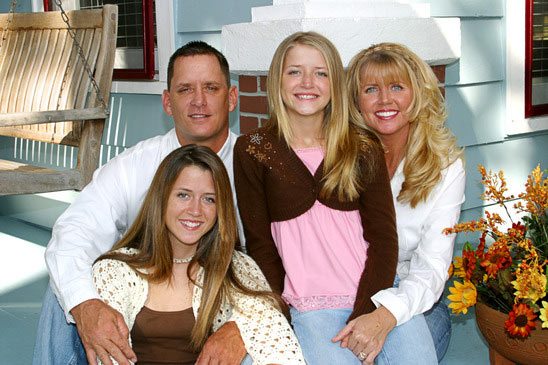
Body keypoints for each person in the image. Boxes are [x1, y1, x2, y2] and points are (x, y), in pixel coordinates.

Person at [33, 41, 249, 365]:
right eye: (185, 89)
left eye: (211, 88)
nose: (199, 101)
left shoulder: (256, 167)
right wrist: (85, 304)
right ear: (167, 102)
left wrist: (242, 327)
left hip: (223, 301)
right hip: (145, 304)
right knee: (63, 296)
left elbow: (288, 265)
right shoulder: (136, 164)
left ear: (231, 97)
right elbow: (76, 229)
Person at [233, 31, 399, 365]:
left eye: (320, 73)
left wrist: (367, 310)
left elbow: (384, 237)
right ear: (278, 80)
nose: (307, 82)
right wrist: (282, 312)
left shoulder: (362, 145)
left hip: (377, 296)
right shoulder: (254, 149)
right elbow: (261, 245)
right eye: (295, 71)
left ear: (335, 83)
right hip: (310, 305)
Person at [91, 144, 305, 365]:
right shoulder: (115, 269)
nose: (195, 210)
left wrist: (238, 328)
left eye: (209, 199)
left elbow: (276, 338)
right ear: (161, 198)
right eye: (183, 195)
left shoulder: (235, 267)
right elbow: (107, 358)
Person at [342, 42, 466, 363]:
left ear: (417, 93)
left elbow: (431, 269)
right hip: (349, 285)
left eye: (397, 87)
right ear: (357, 101)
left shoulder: (445, 166)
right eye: (371, 89)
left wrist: (384, 317)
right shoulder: (342, 158)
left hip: (417, 296)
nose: (385, 100)